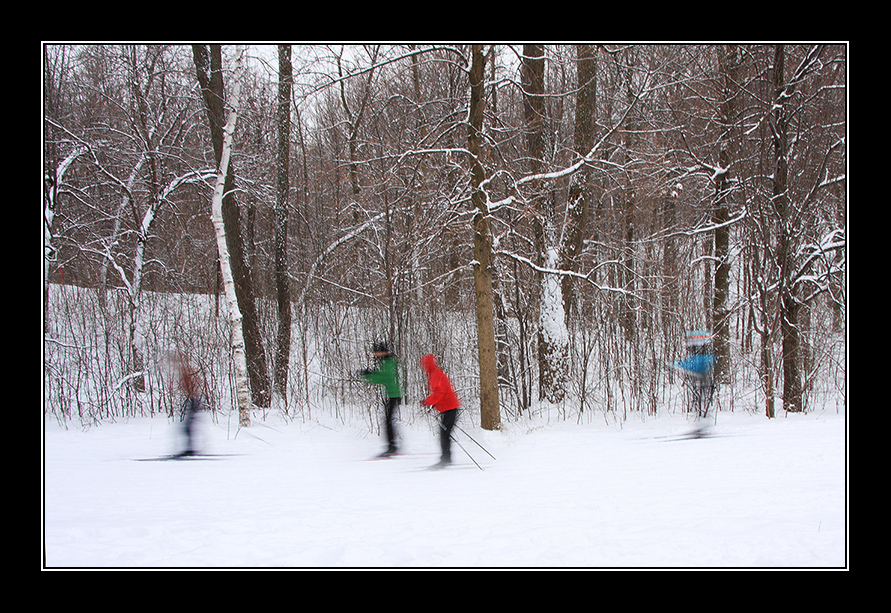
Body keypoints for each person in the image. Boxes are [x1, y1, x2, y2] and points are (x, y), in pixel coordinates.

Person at [359, 341, 403, 457]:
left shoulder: (388, 362)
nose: (375, 355)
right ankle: (393, 445)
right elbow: (384, 376)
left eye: (376, 353)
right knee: (388, 420)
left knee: (388, 421)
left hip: (394, 394)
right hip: (392, 393)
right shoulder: (387, 361)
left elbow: (385, 378)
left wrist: (369, 375)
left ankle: (392, 447)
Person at [420, 353, 461, 468]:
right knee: (444, 434)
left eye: (424, 364)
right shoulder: (435, 374)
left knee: (444, 435)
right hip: (448, 408)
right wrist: (434, 404)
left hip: (450, 408)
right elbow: (441, 393)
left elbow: (440, 393)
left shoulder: (435, 374)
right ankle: (446, 458)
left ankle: (446, 459)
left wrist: (427, 401)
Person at [174, 351, 204, 456]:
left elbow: (192, 387)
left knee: (187, 428)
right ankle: (190, 448)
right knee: (187, 428)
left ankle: (190, 449)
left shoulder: (187, 373)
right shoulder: (186, 372)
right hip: (192, 400)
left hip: (193, 400)